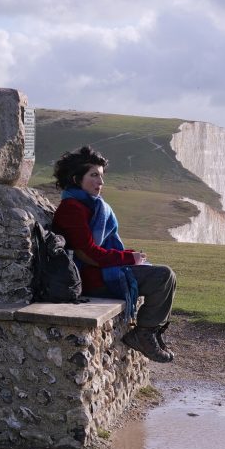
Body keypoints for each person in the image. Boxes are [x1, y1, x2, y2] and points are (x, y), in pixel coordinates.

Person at [51, 145, 176, 363]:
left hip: (101, 272)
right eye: (94, 176)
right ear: (75, 178)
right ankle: (143, 333)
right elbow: (87, 254)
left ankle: (151, 331)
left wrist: (131, 254)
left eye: (101, 176)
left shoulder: (93, 206)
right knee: (163, 276)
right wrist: (128, 258)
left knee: (165, 276)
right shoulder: (72, 208)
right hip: (88, 278)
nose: (101, 182)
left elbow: (104, 249)